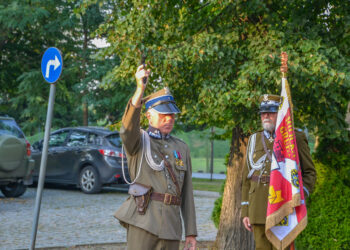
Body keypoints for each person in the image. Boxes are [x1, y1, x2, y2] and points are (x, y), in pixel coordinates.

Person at [114, 64, 197, 250]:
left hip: (172, 226)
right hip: (144, 221)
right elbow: (127, 129)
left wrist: (191, 232)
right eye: (163, 115)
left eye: (172, 115)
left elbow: (187, 192)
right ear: (149, 116)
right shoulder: (138, 141)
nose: (169, 119)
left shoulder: (181, 147)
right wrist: (139, 90)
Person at [241, 94, 317, 250]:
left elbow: (309, 173)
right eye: (263, 113)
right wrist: (245, 211)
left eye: (271, 112)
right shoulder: (254, 139)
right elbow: (246, 179)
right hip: (258, 207)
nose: (266, 116)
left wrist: (298, 195)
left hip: (284, 206)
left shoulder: (295, 137)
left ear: (281, 113)